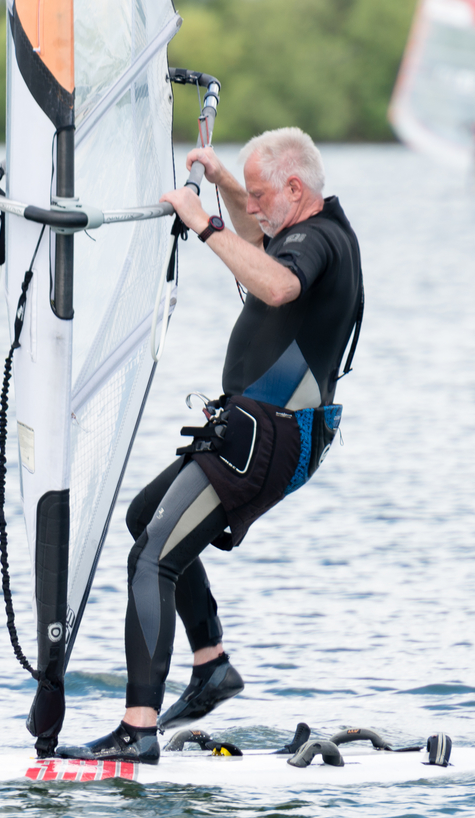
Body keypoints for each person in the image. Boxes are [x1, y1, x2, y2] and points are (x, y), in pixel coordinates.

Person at [57, 126, 363, 764]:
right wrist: (226, 185)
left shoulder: (315, 241)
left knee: (153, 561)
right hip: (254, 432)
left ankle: (137, 731)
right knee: (146, 521)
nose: (251, 209)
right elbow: (263, 246)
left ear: (295, 188)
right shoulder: (314, 233)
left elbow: (276, 284)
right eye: (245, 196)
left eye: (259, 194)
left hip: (263, 440)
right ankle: (212, 665)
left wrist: (203, 224)